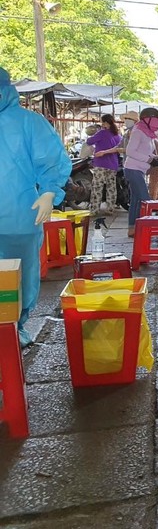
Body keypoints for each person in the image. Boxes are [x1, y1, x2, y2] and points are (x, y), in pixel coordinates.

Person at [0, 66, 71, 345]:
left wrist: (50, 191)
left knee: (20, 275)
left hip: (21, 214)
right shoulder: (29, 122)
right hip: (20, 215)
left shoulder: (29, 123)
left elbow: (52, 161)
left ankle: (15, 325)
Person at [124, 107, 158, 237]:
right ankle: (153, 229)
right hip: (133, 170)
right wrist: (149, 159)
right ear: (148, 120)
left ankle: (133, 228)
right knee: (146, 200)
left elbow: (144, 151)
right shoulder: (138, 131)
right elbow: (130, 151)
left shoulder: (147, 133)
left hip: (139, 170)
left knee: (136, 201)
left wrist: (155, 159)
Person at [87, 114, 121, 213]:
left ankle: (94, 209)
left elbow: (89, 141)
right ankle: (110, 208)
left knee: (97, 187)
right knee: (111, 187)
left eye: (102, 122)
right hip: (113, 164)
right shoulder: (117, 135)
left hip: (101, 164)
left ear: (106, 123)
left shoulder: (102, 133)